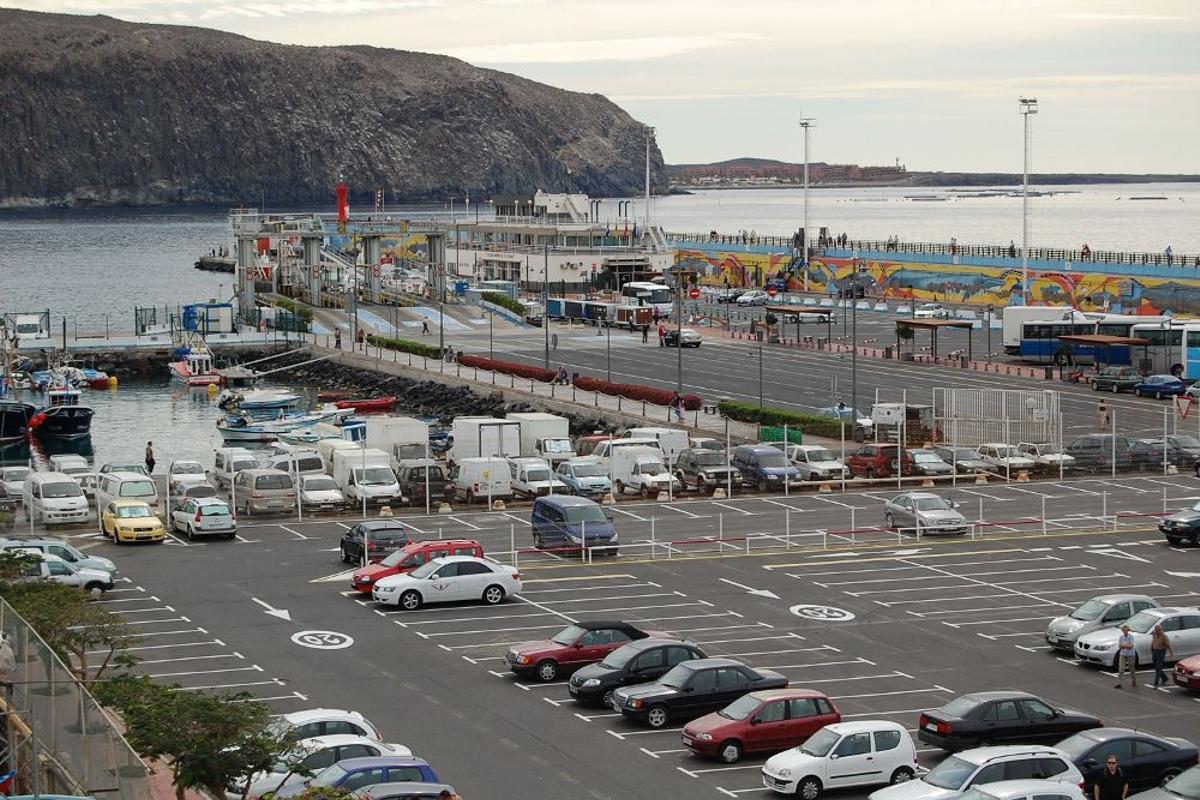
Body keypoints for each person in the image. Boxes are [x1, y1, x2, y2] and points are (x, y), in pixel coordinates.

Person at [1114, 623, 1136, 688]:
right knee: (1121, 668)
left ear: (1128, 631)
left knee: (1131, 668)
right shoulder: (1121, 637)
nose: (1125, 632)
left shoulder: (1131, 637)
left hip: (1131, 654)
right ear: (1122, 631)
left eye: (1126, 630)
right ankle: (1119, 683)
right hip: (1123, 653)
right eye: (1124, 630)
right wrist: (1126, 645)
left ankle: (1134, 681)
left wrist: (1124, 646)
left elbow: (1131, 646)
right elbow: (1120, 646)